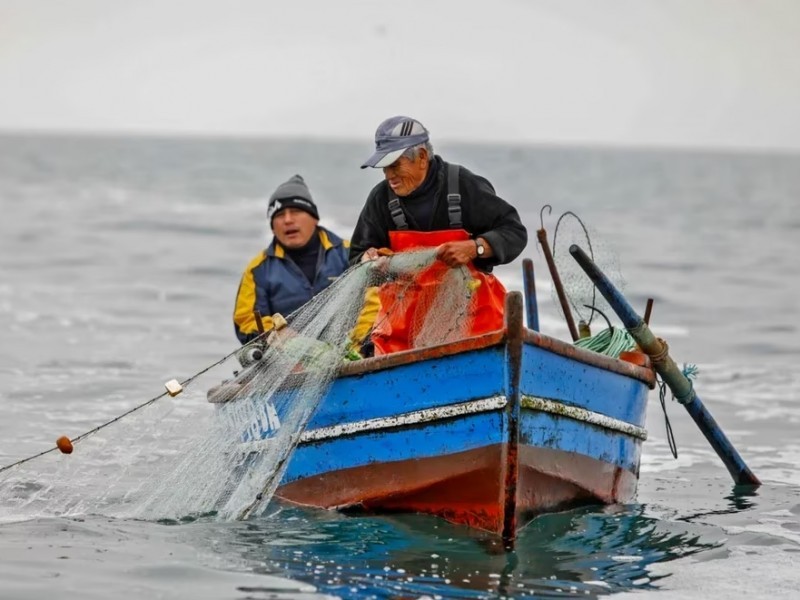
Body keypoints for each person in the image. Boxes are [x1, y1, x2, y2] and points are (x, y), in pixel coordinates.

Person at [350, 116, 528, 355]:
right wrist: (368, 260)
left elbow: (514, 231)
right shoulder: (380, 199)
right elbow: (355, 258)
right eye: (384, 167)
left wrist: (476, 247)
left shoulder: (462, 185)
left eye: (395, 165)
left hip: (475, 330)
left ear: (422, 157)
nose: (389, 175)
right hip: (403, 338)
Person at [233, 174, 350, 345]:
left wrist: (357, 344)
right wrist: (278, 333)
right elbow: (245, 321)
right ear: (272, 227)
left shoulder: (349, 253)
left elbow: (374, 303)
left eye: (295, 211)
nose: (288, 220)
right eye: (279, 215)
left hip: (350, 352)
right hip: (284, 360)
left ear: (314, 217)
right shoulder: (258, 269)